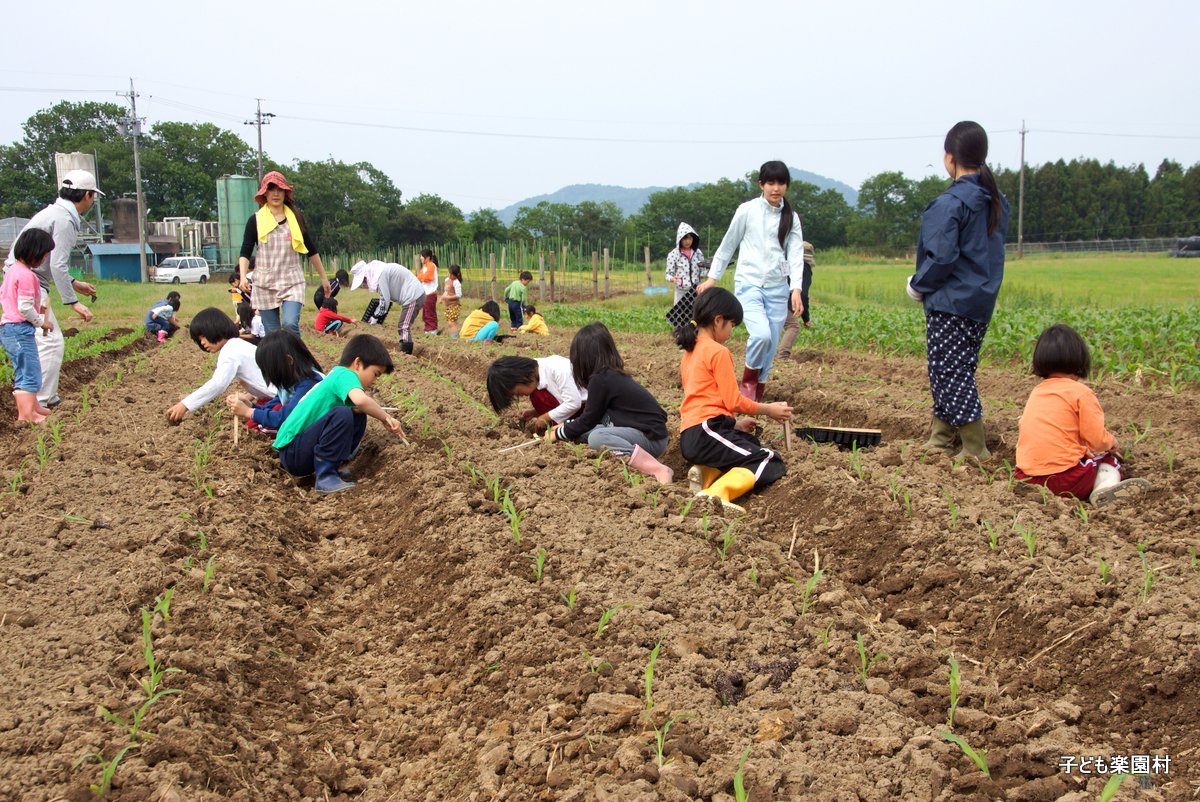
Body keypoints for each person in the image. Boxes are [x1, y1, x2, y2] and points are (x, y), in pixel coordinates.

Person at [907, 121, 1011, 461]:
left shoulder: (950, 203)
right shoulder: (994, 200)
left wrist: (917, 285)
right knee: (952, 367)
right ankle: (941, 435)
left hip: (950, 301)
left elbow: (942, 258)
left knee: (950, 370)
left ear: (949, 157)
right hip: (980, 300)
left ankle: (974, 447)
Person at [675, 287, 793, 512]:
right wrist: (768, 409)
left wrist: (734, 425)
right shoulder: (717, 352)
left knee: (750, 445)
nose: (731, 332)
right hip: (705, 432)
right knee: (768, 459)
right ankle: (717, 494)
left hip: (693, 433)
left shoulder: (690, 352)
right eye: (731, 325)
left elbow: (704, 399)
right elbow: (733, 401)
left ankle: (704, 473)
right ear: (718, 320)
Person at [696, 161, 806, 402]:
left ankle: (757, 394)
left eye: (781, 183)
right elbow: (728, 244)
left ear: (786, 185)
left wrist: (795, 288)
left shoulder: (791, 217)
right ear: (761, 184)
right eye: (770, 183)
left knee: (771, 345)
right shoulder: (747, 210)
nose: (775, 188)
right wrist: (712, 278)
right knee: (761, 336)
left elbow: (795, 254)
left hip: (778, 288)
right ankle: (747, 383)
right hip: (749, 284)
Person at [1015, 324, 1151, 506]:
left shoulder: (1038, 392)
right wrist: (1111, 442)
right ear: (1080, 360)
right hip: (1064, 480)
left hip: (1027, 479)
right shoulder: (1081, 393)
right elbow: (1096, 439)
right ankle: (1103, 491)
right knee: (1110, 462)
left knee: (1083, 459)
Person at [2, 169, 103, 408]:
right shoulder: (65, 220)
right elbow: (57, 264)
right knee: (50, 340)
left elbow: (52, 264)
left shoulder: (55, 212)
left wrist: (74, 284)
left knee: (45, 340)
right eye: (93, 196)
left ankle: (44, 397)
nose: (93, 200)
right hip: (28, 281)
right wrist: (72, 302)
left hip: (21, 276)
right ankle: (41, 401)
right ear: (87, 195)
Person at [271, 334, 405, 494]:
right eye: (375, 374)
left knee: (356, 413)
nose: (375, 380)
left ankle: (331, 468)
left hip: (296, 451)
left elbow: (359, 406)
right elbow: (361, 400)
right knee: (343, 413)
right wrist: (386, 417)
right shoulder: (344, 375)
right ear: (357, 363)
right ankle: (326, 476)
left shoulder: (338, 375)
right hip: (293, 452)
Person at [544, 322, 672, 483]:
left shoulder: (601, 379)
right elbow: (593, 418)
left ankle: (657, 469)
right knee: (590, 431)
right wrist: (566, 426)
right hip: (643, 433)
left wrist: (558, 433)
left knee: (597, 437)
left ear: (582, 358)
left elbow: (588, 420)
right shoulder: (609, 377)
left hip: (650, 438)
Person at [238, 170, 331, 337]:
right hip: (265, 283)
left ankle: (298, 361)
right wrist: (243, 276)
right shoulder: (255, 220)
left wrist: (324, 277)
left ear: (285, 193)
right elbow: (245, 251)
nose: (275, 193)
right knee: (272, 334)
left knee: (289, 324)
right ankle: (281, 363)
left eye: (279, 189)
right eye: (271, 189)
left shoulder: (295, 218)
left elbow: (311, 249)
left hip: (291, 280)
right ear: (264, 193)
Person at [165, 307, 274, 423]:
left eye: (203, 337)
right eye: (199, 340)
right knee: (253, 422)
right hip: (278, 396)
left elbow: (218, 384)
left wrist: (185, 405)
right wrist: (250, 396)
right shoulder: (237, 345)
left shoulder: (230, 351)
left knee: (263, 425)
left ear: (214, 329)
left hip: (285, 399)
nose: (202, 342)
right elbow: (258, 377)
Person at [1, 229, 56, 423]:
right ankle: (26, 415)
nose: (44, 260)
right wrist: (42, 322)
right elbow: (24, 307)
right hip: (19, 329)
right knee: (30, 371)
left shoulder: (13, 270)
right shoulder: (26, 275)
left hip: (10, 328)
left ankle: (33, 406)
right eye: (44, 256)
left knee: (23, 369)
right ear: (35, 252)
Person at [226, 329, 324, 436]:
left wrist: (247, 412)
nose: (268, 375)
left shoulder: (310, 384)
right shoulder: (289, 383)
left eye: (269, 369)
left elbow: (285, 418)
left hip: (317, 432)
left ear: (288, 360)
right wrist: (248, 404)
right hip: (303, 426)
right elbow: (270, 407)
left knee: (266, 424)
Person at [487, 354, 586, 433]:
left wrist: (545, 417)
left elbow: (573, 403)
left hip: (590, 409)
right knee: (537, 395)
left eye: (516, 393)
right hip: (577, 411)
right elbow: (560, 397)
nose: (520, 396)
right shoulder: (535, 374)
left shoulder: (557, 369)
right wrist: (535, 413)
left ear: (520, 377)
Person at [349, 259, 424, 355]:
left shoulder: (380, 275)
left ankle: (406, 354)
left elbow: (385, 301)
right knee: (403, 325)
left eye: (364, 279)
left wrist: (375, 316)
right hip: (413, 295)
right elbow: (383, 297)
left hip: (414, 296)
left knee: (403, 326)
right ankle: (405, 352)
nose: (364, 282)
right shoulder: (380, 271)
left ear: (366, 274)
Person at [776, 241, 816, 361]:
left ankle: (769, 355)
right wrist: (806, 318)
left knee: (774, 326)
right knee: (793, 326)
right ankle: (782, 356)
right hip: (784, 301)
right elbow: (802, 295)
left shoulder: (785, 264)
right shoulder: (804, 269)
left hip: (772, 297)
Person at [665, 222, 707, 304]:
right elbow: (668, 274)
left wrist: (709, 271)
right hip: (681, 291)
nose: (688, 241)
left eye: (690, 238)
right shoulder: (673, 254)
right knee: (680, 314)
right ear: (680, 239)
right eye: (685, 238)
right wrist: (672, 278)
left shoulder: (697, 252)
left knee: (697, 313)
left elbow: (703, 270)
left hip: (697, 290)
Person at [416, 249, 440, 334]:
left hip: (430, 293)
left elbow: (428, 277)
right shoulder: (425, 266)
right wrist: (422, 277)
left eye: (422, 256)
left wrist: (422, 277)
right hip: (425, 293)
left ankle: (433, 329)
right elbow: (419, 277)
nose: (421, 258)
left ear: (427, 257)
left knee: (430, 312)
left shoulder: (431, 266)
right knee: (425, 312)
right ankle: (428, 328)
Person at [441, 264, 464, 337]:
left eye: (452, 274)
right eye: (449, 273)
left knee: (451, 322)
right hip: (447, 305)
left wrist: (448, 298)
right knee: (449, 322)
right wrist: (442, 297)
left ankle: (455, 337)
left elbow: (458, 295)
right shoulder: (447, 280)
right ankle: (452, 335)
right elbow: (446, 291)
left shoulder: (456, 282)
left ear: (456, 275)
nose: (450, 275)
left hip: (454, 305)